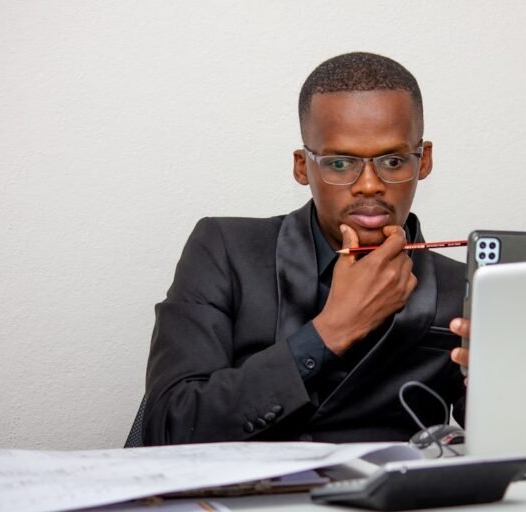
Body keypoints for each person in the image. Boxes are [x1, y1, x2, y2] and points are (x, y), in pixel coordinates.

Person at [142, 52, 471, 446]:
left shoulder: (462, 289)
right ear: (302, 166)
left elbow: (513, 446)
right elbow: (168, 427)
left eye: (393, 160)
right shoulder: (225, 251)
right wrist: (332, 330)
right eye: (339, 164)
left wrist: (507, 382)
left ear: (424, 160)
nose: (369, 185)